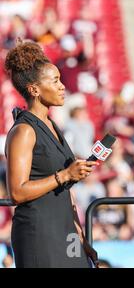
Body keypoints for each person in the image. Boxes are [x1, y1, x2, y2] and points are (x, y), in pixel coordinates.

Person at [4, 40, 99, 268]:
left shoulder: (52, 125)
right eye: (55, 80)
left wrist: (81, 237)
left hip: (67, 231)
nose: (62, 86)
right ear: (34, 89)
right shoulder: (24, 130)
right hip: (39, 232)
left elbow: (66, 193)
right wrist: (65, 175)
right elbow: (16, 191)